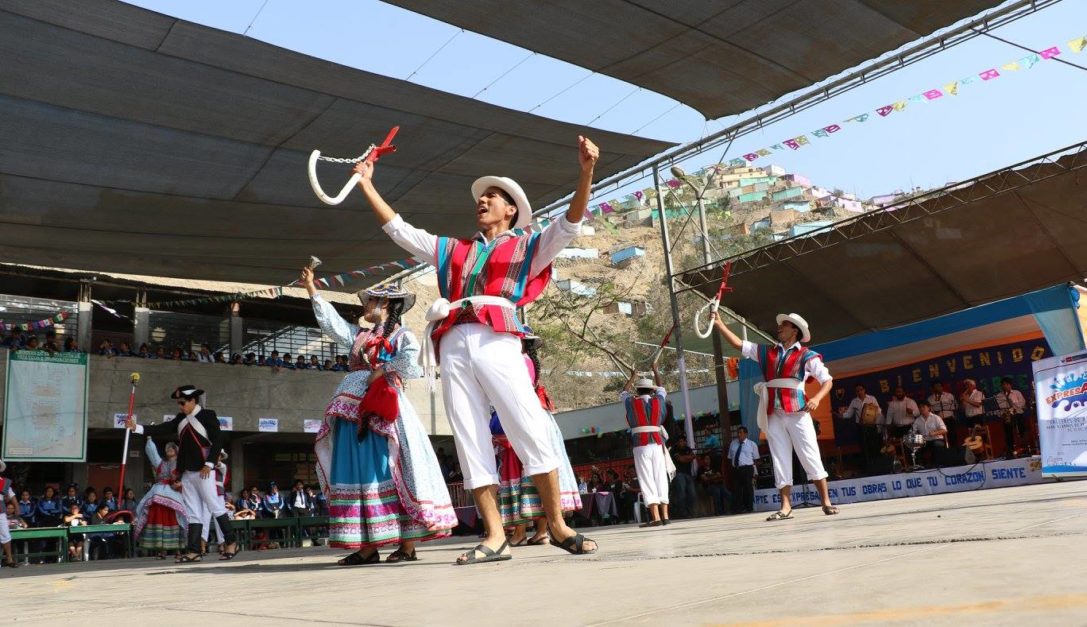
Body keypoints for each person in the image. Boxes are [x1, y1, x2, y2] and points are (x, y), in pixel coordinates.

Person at [352, 137, 600, 563]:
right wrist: (366, 184)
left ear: (511, 211)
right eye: (482, 196)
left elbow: (570, 225)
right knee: (468, 435)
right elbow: (401, 231)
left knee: (527, 425)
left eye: (493, 196)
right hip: (452, 338)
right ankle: (494, 536)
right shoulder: (455, 249)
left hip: (498, 334)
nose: (483, 200)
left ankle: (557, 525)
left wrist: (586, 172)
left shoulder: (528, 246)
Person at [303, 268, 455, 566]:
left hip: (385, 413)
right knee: (357, 475)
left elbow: (413, 364)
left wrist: (382, 370)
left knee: (392, 470)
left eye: (370, 302)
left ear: (385, 304)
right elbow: (332, 325)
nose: (366, 307)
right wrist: (312, 290)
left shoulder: (402, 335)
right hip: (351, 413)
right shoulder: (359, 335)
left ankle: (407, 545)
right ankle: (368, 546)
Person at [712, 311, 838, 520]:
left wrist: (816, 399)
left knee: (809, 453)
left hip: (798, 410)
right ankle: (785, 506)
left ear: (795, 330)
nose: (779, 327)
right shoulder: (766, 352)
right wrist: (719, 324)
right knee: (779, 457)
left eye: (784, 325)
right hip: (773, 411)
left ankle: (825, 501)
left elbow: (827, 380)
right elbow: (739, 345)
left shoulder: (807, 355)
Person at [126, 385, 238, 562]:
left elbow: (217, 441)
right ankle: (194, 551)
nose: (180, 406)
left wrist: (209, 464)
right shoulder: (181, 418)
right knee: (193, 512)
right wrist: (137, 428)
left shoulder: (208, 416)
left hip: (204, 471)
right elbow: (161, 429)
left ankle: (231, 542)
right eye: (178, 403)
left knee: (215, 507)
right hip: (187, 471)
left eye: (182, 402)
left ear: (193, 400)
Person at [621, 367, 671, 527]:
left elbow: (623, 392)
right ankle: (665, 516)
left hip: (641, 445)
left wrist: (633, 376)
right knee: (660, 478)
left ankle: (655, 518)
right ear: (652, 390)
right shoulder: (659, 400)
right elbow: (661, 388)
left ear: (638, 390)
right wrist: (656, 371)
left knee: (646, 478)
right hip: (657, 444)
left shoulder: (631, 401)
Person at [133, 439, 187, 560]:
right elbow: (152, 453)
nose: (168, 450)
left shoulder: (181, 463)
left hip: (173, 493)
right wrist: (149, 441)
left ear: (176, 451)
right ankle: (161, 551)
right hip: (157, 493)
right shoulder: (161, 463)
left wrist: (178, 483)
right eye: (167, 448)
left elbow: (182, 477)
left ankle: (178, 550)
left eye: (171, 448)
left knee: (176, 519)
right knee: (158, 519)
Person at [839, 384, 883, 470]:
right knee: (864, 448)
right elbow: (849, 414)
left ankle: (877, 467)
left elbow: (879, 410)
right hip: (861, 427)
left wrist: (874, 411)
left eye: (861, 390)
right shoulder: (854, 401)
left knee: (874, 446)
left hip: (871, 426)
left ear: (864, 390)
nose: (859, 392)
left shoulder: (871, 398)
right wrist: (842, 415)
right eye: (857, 391)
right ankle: (868, 468)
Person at [728, 426, 759, 514]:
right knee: (736, 489)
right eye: (738, 432)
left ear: (746, 434)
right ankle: (737, 508)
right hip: (736, 469)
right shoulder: (733, 444)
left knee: (747, 488)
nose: (739, 434)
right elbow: (730, 457)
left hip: (747, 468)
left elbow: (756, 459)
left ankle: (749, 507)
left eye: (741, 432)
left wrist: (755, 471)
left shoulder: (752, 444)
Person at [995, 377, 1028, 457]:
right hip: (1007, 416)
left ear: (1010, 385)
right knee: (1008, 432)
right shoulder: (999, 396)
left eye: (1007, 384)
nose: (1005, 386)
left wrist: (1013, 403)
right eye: (1003, 385)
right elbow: (997, 409)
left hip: (1017, 414)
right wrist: (1002, 414)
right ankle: (1011, 450)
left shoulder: (1017, 393)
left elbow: (1023, 403)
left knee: (1021, 429)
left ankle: (1024, 448)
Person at [912, 401, 948, 466]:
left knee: (936, 444)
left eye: (923, 407)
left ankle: (937, 465)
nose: (921, 409)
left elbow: (944, 430)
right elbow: (913, 432)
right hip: (925, 441)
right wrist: (916, 436)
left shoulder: (936, 417)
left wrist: (935, 433)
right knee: (915, 447)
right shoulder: (917, 420)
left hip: (937, 439)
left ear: (929, 408)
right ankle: (921, 467)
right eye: (920, 407)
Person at [0, 461, 18, 568]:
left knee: (6, 536)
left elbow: (12, 496)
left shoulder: (4, 482)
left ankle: (9, 560)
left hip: (0, 512)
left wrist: (17, 507)